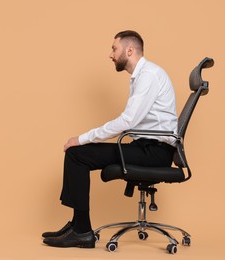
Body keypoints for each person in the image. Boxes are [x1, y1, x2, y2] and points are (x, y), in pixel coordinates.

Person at [42, 30, 178, 248]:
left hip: (154, 151)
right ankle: (78, 224)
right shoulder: (142, 76)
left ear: (129, 50)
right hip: (146, 147)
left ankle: (82, 231)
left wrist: (82, 138)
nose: (111, 54)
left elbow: (127, 121)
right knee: (77, 153)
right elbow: (132, 123)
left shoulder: (148, 76)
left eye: (114, 48)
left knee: (77, 153)